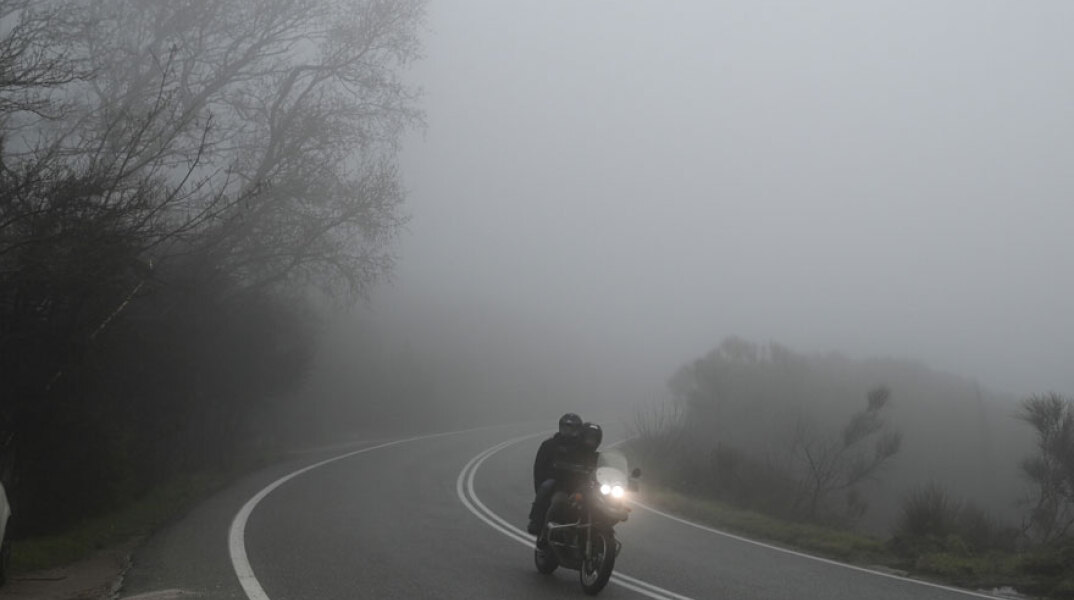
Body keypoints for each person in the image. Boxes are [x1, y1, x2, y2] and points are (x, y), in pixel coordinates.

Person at [527, 413, 583, 534]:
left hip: (579, 484)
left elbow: (595, 463)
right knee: (547, 487)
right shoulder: (549, 445)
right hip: (558, 483)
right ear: (560, 427)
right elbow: (539, 468)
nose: (569, 431)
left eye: (573, 428)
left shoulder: (583, 448)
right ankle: (537, 521)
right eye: (566, 427)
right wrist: (545, 479)